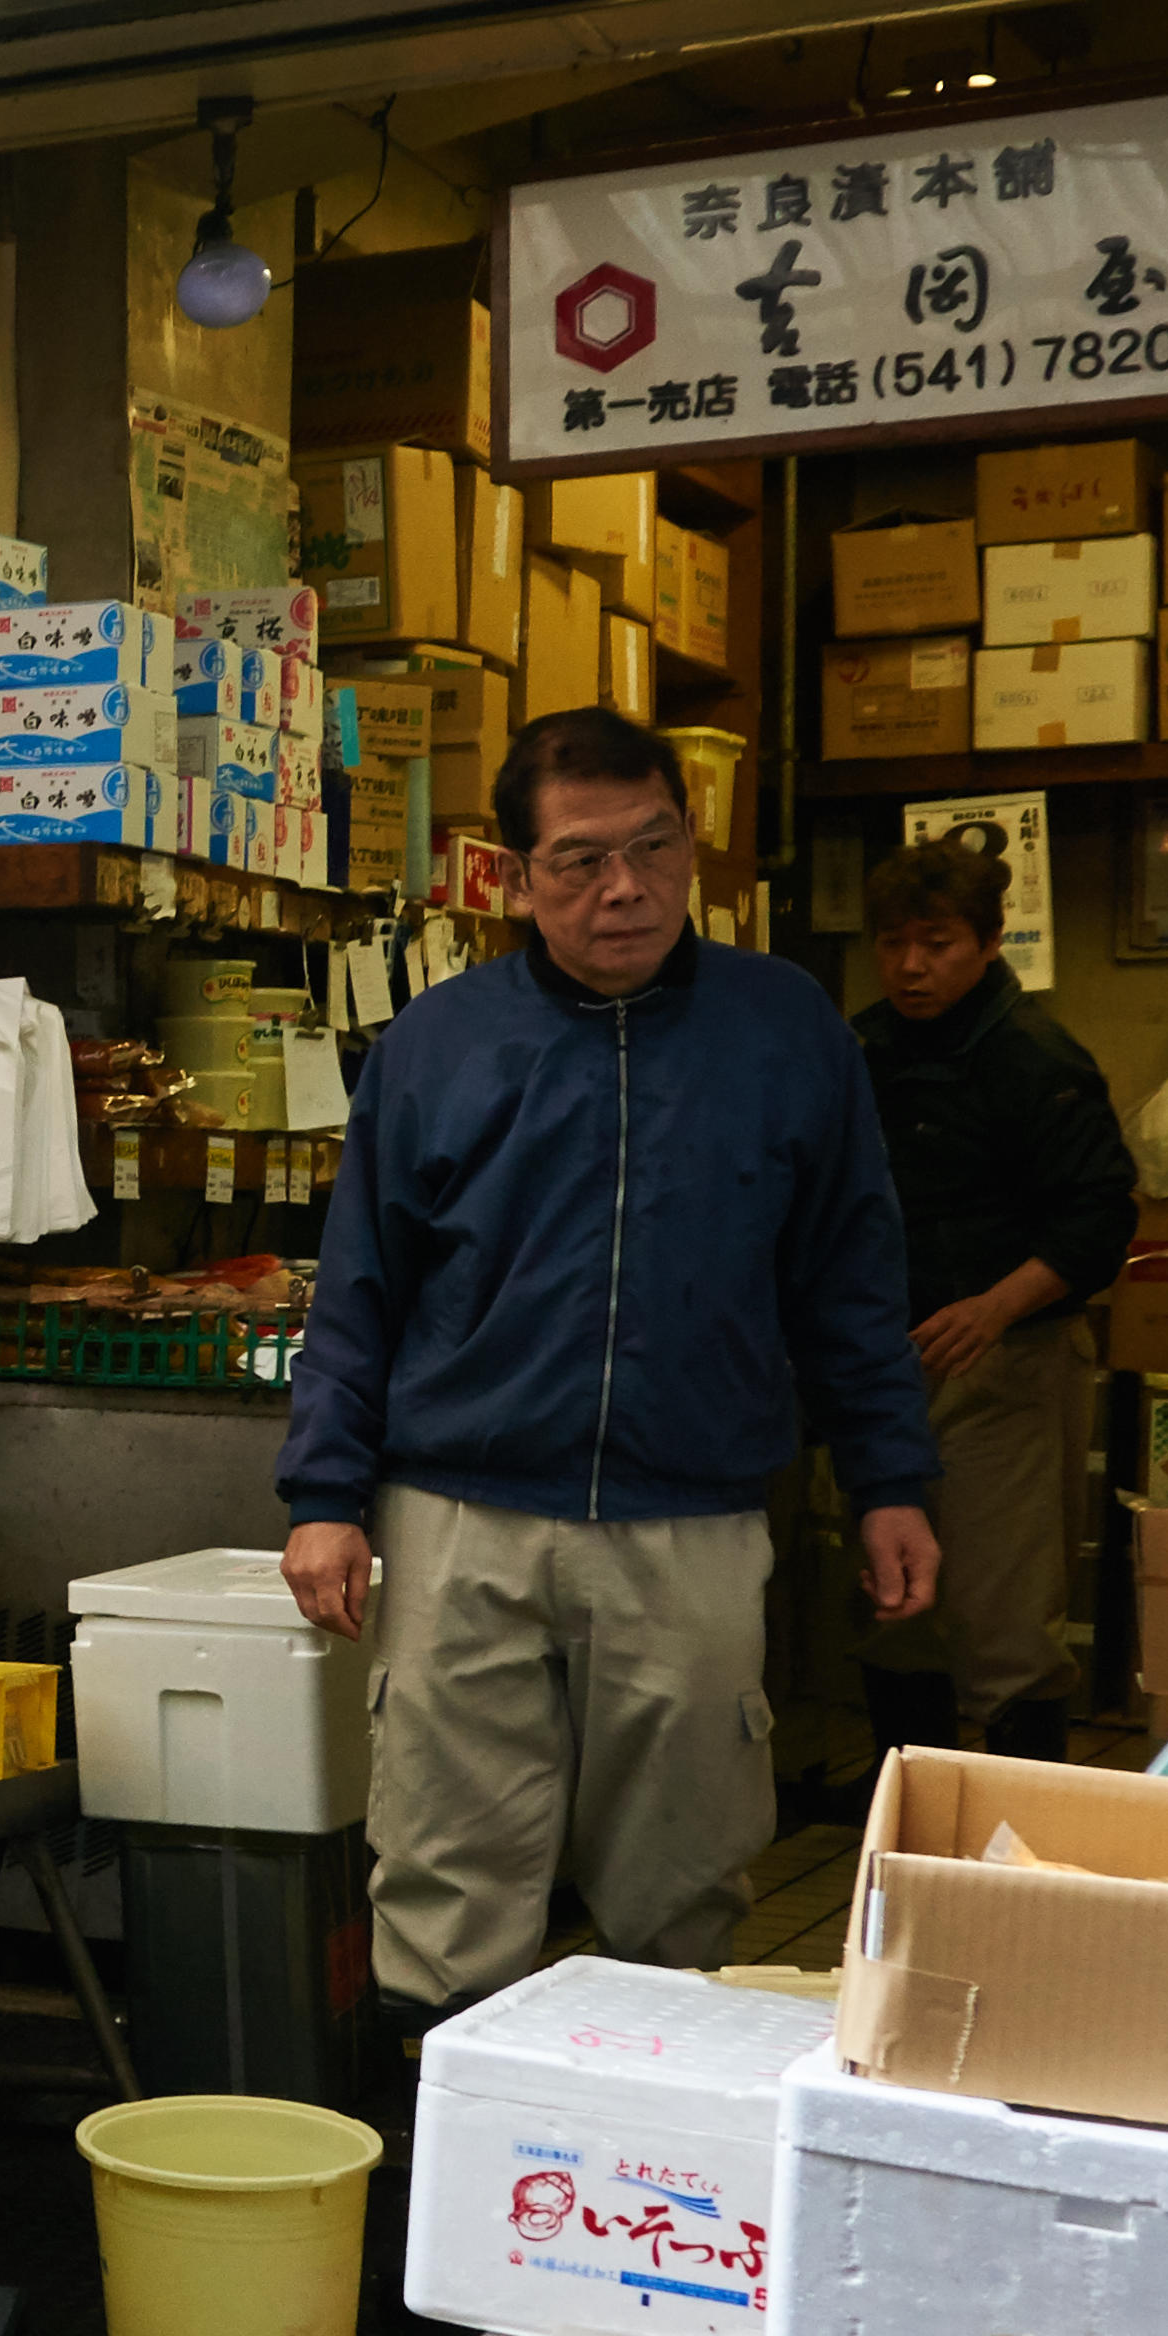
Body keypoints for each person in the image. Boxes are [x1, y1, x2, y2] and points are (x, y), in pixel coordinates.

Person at [278, 708, 944, 2013]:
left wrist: (889, 1478)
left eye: (649, 847)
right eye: (577, 860)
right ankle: (444, 2158)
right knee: (443, 1877)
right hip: (458, 1517)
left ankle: (655, 2175)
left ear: (688, 845)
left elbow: (848, 1280)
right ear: (515, 876)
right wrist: (321, 1498)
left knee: (683, 1885)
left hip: (687, 1518)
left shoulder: (784, 1030)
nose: (621, 888)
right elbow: (358, 1288)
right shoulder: (437, 1043)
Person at [852, 834, 1136, 1767]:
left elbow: (1097, 1220)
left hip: (1004, 1362)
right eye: (893, 943)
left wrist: (993, 1309)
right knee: (895, 1607)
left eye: (935, 942)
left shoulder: (1034, 1055)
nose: (910, 965)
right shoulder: (859, 1047)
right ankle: (906, 1838)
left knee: (1006, 1618)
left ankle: (1016, 1854)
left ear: (988, 941)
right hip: (883, 1364)